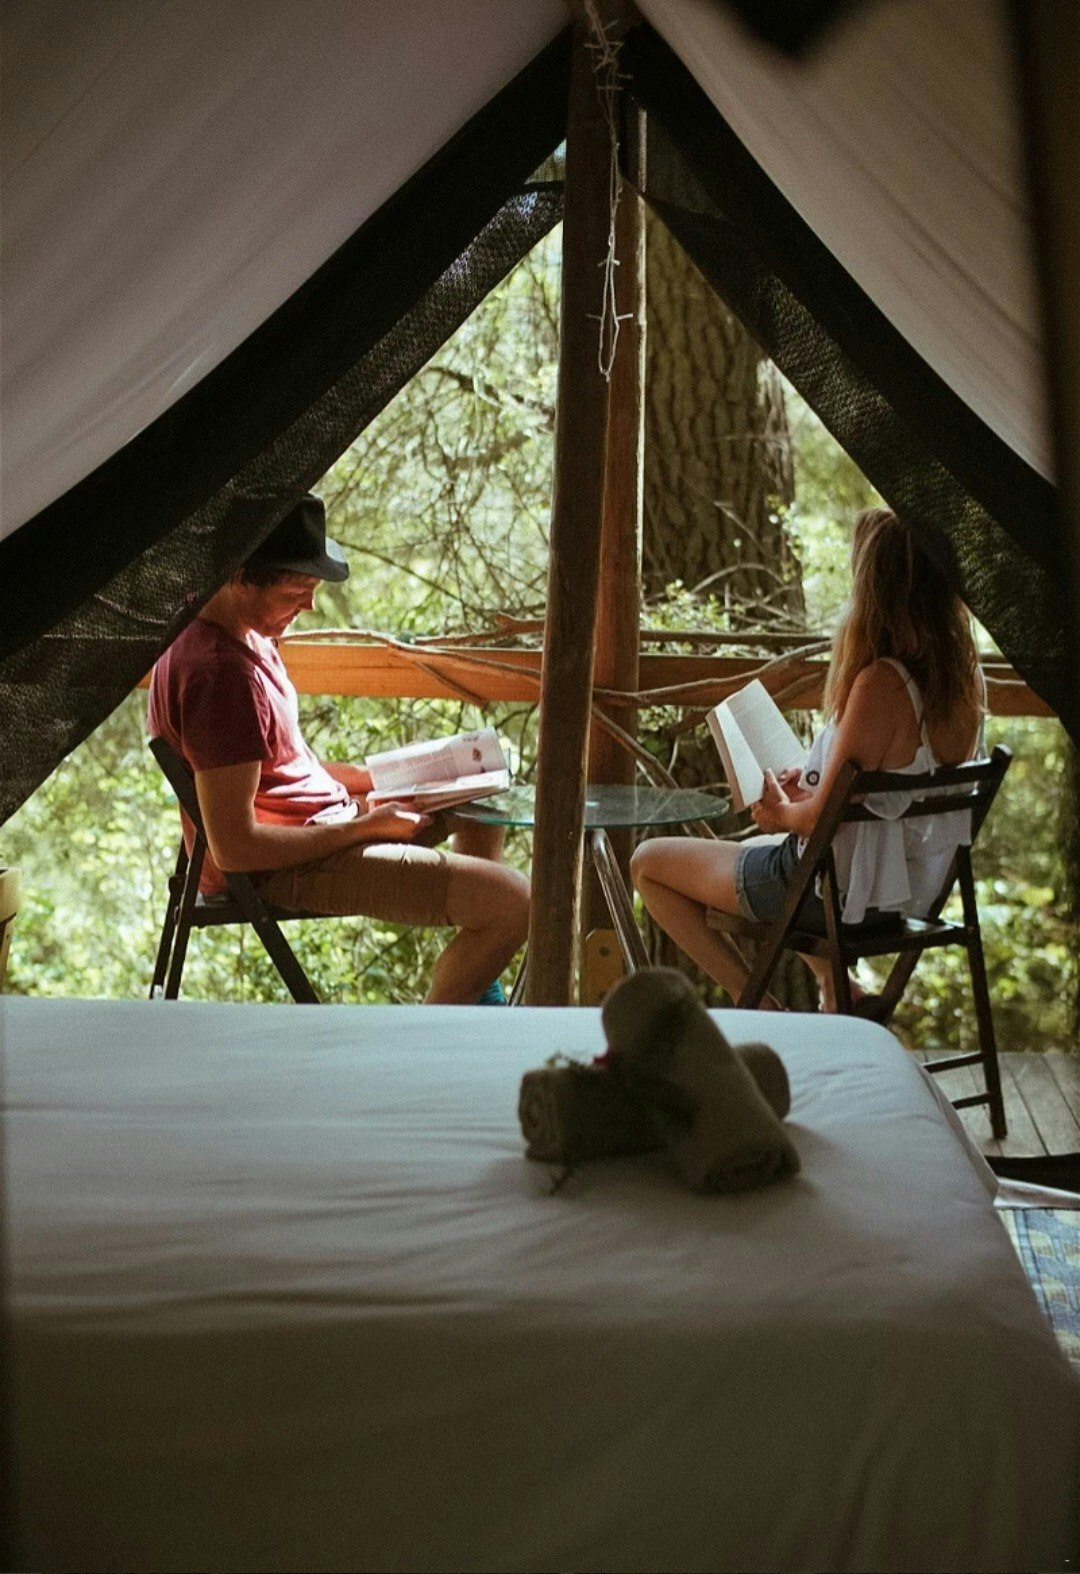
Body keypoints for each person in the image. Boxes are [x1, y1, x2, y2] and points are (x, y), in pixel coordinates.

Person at [148, 493, 529, 1004]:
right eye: (297, 590)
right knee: (515, 903)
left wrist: (390, 780)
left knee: (482, 796)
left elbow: (275, 769)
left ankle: (472, 988)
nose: (308, 605)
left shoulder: (247, 635)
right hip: (284, 868)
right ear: (240, 575)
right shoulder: (220, 676)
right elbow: (236, 847)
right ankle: (440, 1033)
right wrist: (366, 828)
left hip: (329, 823)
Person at [631, 507, 986, 1012]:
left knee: (647, 864)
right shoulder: (965, 681)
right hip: (905, 895)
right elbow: (875, 793)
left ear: (876, 593)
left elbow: (819, 822)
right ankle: (838, 989)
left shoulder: (882, 684)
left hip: (839, 901)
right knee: (768, 849)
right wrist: (812, 791)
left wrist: (781, 812)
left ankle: (757, 1005)